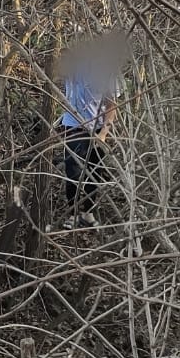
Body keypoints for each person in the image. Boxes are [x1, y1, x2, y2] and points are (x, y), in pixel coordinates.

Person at [58, 32, 123, 228]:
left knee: (94, 172)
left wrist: (103, 133)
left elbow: (112, 105)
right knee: (73, 171)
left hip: (97, 128)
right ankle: (72, 213)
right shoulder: (73, 66)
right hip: (73, 125)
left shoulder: (107, 72)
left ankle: (88, 212)